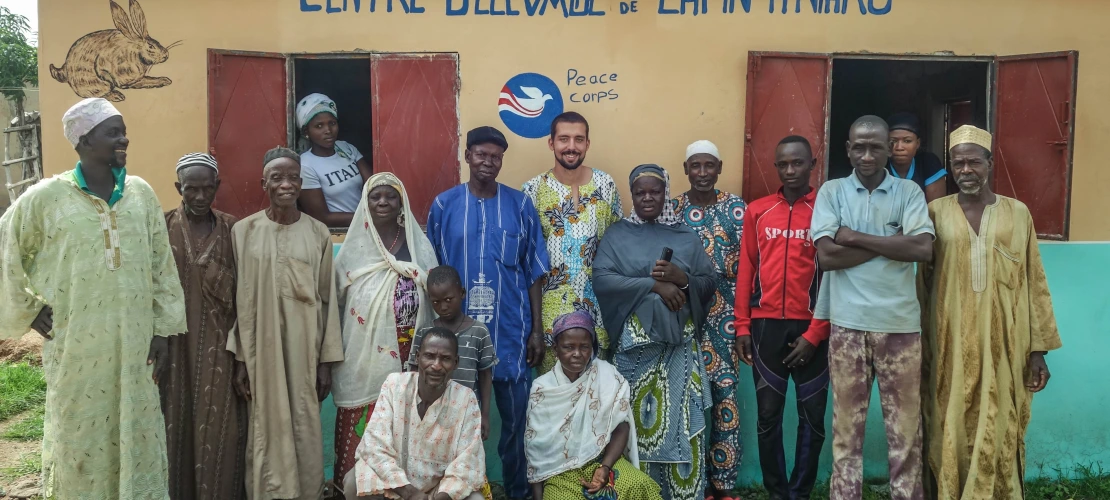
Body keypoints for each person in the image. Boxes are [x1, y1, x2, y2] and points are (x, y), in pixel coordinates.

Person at [0, 98, 186, 499]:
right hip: (77, 349)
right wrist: (29, 308)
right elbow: (7, 245)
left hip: (137, 348)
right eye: (113, 132)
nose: (125, 139)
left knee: (137, 435)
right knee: (80, 437)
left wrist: (164, 330)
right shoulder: (47, 197)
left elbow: (160, 264)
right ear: (83, 141)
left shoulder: (140, 193)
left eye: (123, 130)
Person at [919, 125, 1063, 499]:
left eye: (973, 162)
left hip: (1005, 346)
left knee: (1001, 422)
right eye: (958, 162)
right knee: (945, 421)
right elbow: (920, 284)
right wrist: (917, 343)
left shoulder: (1018, 213)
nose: (965, 170)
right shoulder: (935, 213)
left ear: (989, 164)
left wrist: (1038, 350)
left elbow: (1035, 279)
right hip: (946, 342)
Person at [811, 116, 935, 500]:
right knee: (847, 434)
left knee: (906, 434)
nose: (867, 155)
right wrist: (889, 242)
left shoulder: (909, 192)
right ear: (848, 149)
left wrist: (854, 237)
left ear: (889, 149)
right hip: (848, 327)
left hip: (900, 327)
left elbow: (922, 249)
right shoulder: (832, 192)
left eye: (875, 147)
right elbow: (828, 256)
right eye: (859, 147)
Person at [426, 126, 550, 500]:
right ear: (467, 156)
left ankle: (517, 493)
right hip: (456, 338)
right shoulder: (444, 206)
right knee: (453, 422)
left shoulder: (521, 205)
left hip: (510, 335)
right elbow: (432, 273)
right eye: (481, 154)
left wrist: (537, 330)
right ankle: (455, 492)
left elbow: (533, 272)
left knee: (515, 425)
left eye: (495, 156)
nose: (488, 162)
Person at [227, 147, 345, 500]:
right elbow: (239, 299)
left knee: (305, 421)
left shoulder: (319, 232)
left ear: (302, 181)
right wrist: (241, 357)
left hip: (305, 347)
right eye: (277, 177)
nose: (286, 184)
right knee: (266, 422)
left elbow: (328, 300)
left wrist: (326, 362)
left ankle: (307, 492)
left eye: (293, 176)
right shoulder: (243, 232)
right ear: (264, 183)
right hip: (259, 347)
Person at [593, 164, 716, 500]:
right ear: (631, 195)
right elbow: (603, 280)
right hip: (635, 354)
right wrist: (654, 286)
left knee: (680, 424)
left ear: (666, 193)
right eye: (640, 192)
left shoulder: (684, 236)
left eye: (655, 191)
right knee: (633, 423)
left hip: (678, 351)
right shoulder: (617, 235)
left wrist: (681, 278)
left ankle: (682, 493)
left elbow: (708, 283)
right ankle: (640, 492)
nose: (648, 198)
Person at [733, 136, 831, 500]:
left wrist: (818, 332)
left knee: (813, 418)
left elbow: (833, 276)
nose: (790, 171)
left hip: (812, 327)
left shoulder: (826, 208)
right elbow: (747, 270)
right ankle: (777, 493)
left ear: (812, 164)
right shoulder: (758, 211)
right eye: (783, 164)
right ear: (776, 167)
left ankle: (800, 493)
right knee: (768, 417)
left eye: (798, 163)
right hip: (765, 327)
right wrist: (743, 326)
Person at [331, 172, 440, 484]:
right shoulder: (352, 250)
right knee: (362, 426)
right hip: (362, 359)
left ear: (401, 201)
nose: (382, 201)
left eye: (390, 196)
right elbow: (337, 307)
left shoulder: (418, 245)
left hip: (411, 355)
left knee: (406, 427)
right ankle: (354, 488)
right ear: (365, 203)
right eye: (375, 196)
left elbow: (433, 292)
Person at [162, 152, 246, 500]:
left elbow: (246, 297)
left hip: (220, 350)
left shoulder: (235, 230)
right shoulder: (161, 227)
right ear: (178, 187)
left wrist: (242, 355)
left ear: (217, 187)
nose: (199, 197)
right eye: (191, 189)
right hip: (173, 349)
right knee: (172, 424)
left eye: (206, 189)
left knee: (221, 430)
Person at [670, 140, 747, 499]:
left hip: (725, 322)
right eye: (695, 166)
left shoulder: (736, 208)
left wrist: (744, 321)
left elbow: (750, 268)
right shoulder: (673, 211)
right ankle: (693, 482)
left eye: (709, 166)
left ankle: (724, 483)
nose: (702, 173)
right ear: (686, 170)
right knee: (687, 399)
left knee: (724, 398)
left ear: (719, 167)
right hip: (684, 320)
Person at [525, 310, 663, 500]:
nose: (577, 354)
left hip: (602, 460)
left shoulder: (607, 376)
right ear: (555, 349)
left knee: (639, 484)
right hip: (559, 471)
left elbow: (621, 426)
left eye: (584, 347)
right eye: (568, 347)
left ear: (593, 348)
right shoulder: (543, 388)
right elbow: (537, 448)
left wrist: (605, 468)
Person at [522, 111, 622, 370]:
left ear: (587, 144)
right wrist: (533, 328)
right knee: (555, 396)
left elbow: (618, 246)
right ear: (551, 143)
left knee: (596, 396)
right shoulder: (533, 190)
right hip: (549, 317)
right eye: (564, 139)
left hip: (597, 313)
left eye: (579, 139)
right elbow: (527, 261)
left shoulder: (606, 184)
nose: (571, 147)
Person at [344, 328, 489, 500]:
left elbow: (467, 462)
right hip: (396, 485)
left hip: (439, 490)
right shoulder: (394, 385)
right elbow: (375, 445)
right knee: (354, 482)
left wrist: (439, 497)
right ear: (417, 357)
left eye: (445, 359)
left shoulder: (466, 399)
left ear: (456, 363)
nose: (436, 365)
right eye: (429, 356)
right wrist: (410, 493)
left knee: (476, 499)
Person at [408, 266, 497, 440]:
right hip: (428, 411)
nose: (443, 307)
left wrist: (484, 414)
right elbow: (413, 371)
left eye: (449, 299)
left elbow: (485, 374)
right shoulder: (425, 332)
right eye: (436, 302)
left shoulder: (479, 331)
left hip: (465, 413)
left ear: (462, 293)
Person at [295, 93, 373, 227]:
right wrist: (370, 216)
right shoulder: (305, 165)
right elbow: (322, 217)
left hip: (367, 225)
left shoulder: (346, 148)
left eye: (332, 123)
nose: (328, 130)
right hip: (340, 233)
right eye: (319, 126)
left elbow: (373, 184)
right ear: (306, 132)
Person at [886, 112, 946, 203]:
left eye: (907, 141)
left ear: (917, 143)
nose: (899, 147)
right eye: (893, 141)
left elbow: (935, 210)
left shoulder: (928, 162)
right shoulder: (880, 166)